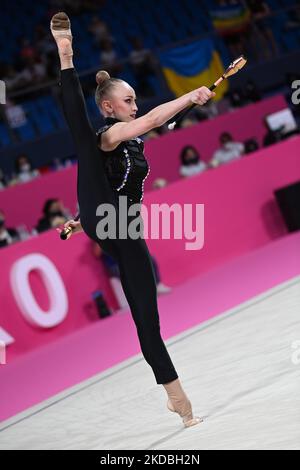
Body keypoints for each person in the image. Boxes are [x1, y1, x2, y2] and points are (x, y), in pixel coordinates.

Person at [51, 12, 215, 427]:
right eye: (128, 101)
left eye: (135, 101)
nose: (135, 106)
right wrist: (188, 96)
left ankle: (177, 398)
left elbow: (153, 126)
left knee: (147, 318)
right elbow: (156, 119)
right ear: (108, 106)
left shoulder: (132, 138)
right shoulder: (110, 133)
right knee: (84, 141)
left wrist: (78, 220)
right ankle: (65, 55)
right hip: (103, 214)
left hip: (117, 224)